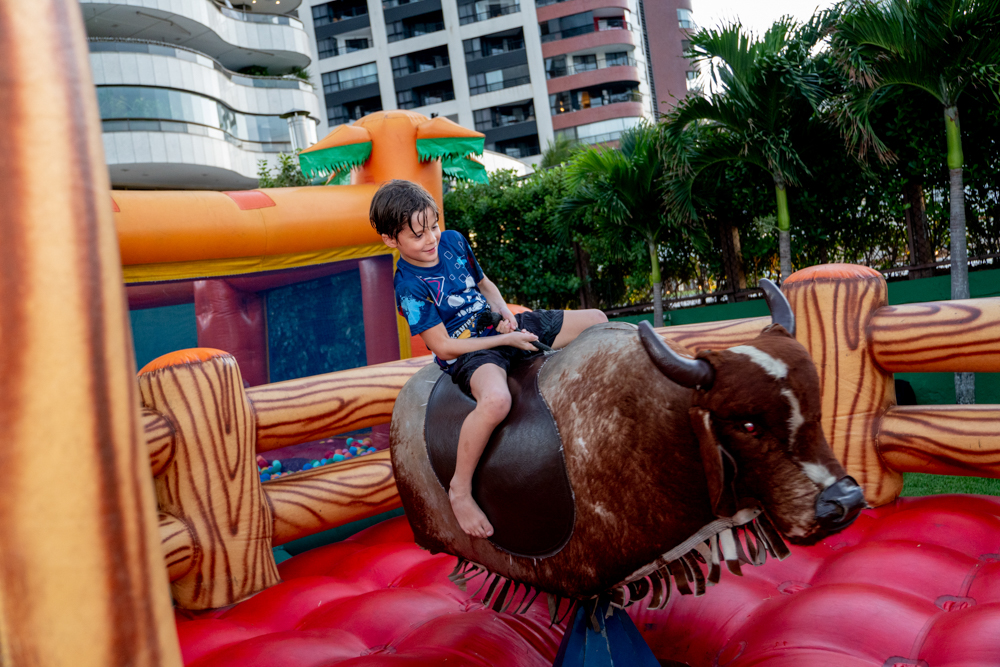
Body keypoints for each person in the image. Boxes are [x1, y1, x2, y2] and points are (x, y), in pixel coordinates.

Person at [370, 180, 607, 538]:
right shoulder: (409, 287)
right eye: (418, 235)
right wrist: (506, 339)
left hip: (498, 326)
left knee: (597, 320)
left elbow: (485, 286)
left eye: (433, 226)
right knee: (496, 401)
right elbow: (443, 347)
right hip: (468, 351)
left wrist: (505, 314)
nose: (431, 239)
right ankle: (460, 489)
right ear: (391, 240)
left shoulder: (453, 241)